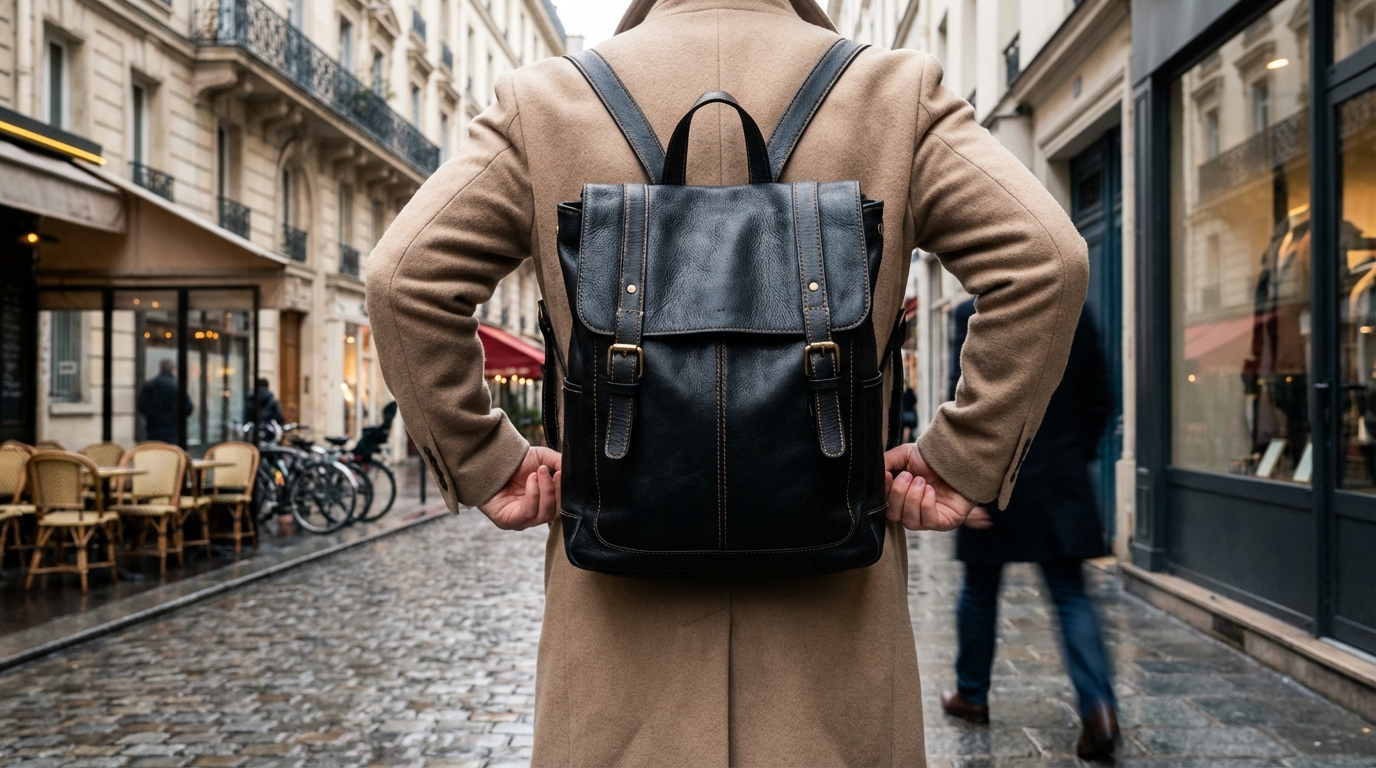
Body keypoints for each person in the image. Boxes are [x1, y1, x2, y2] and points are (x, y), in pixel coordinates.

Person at [366, 0, 1089, 763]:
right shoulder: (891, 91)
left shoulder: (545, 101)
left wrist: (487, 461)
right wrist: (961, 458)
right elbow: (1044, 260)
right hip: (834, 666)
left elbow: (404, 278)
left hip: (616, 671)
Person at [941, 297, 1120, 761]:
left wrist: (963, 480)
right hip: (1060, 482)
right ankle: (1099, 708)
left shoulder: (976, 311)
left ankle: (972, 695)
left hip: (992, 478)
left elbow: (963, 405)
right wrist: (1070, 459)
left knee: (979, 591)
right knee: (1071, 596)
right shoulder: (1076, 308)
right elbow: (1100, 398)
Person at [137, 359, 192, 444]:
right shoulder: (176, 386)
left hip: (153, 428)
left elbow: (141, 407)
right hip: (172, 429)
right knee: (171, 451)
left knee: (155, 450)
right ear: (173, 370)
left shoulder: (149, 385)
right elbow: (188, 407)